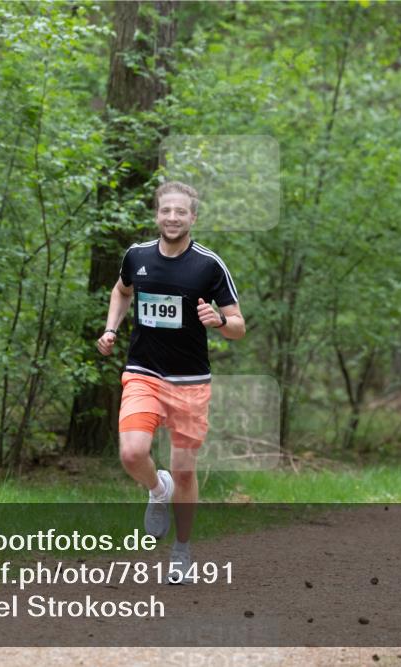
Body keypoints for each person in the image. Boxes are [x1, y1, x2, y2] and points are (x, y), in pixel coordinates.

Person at [96, 181, 245, 584]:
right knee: (131, 454)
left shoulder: (209, 265)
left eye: (181, 212)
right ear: (157, 214)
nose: (173, 218)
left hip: (190, 381)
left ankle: (182, 549)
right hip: (143, 372)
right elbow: (121, 290)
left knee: (183, 471)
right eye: (166, 211)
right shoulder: (137, 256)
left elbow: (239, 326)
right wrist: (111, 329)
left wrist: (220, 322)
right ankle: (155, 489)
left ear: (193, 217)